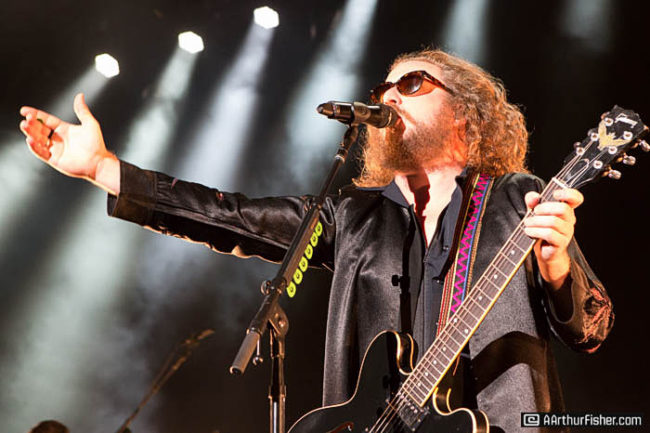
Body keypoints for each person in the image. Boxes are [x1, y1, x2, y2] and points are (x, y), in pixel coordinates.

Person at [19, 49, 613, 432]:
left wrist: (557, 268)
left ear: (466, 113)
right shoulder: (353, 214)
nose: (388, 96)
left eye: (411, 83)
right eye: (383, 87)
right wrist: (105, 169)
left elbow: (592, 325)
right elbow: (234, 216)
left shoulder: (517, 197)